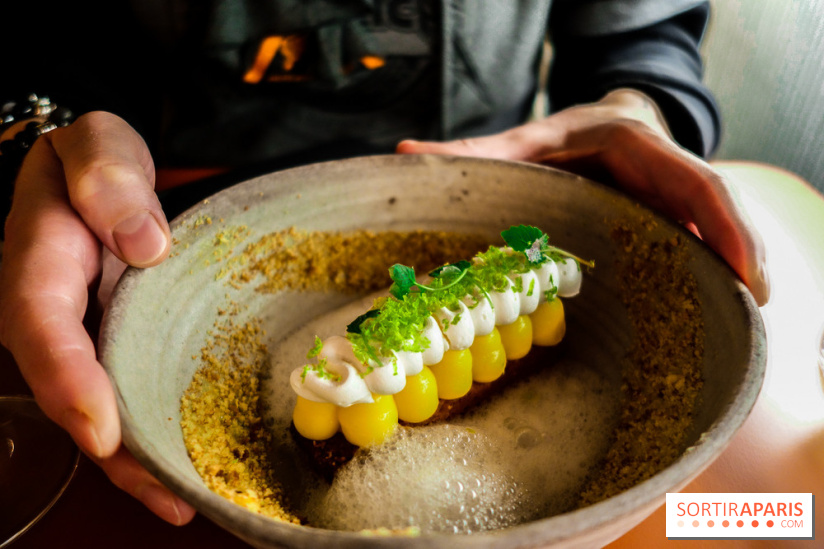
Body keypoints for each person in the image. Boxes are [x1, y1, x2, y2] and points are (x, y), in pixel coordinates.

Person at [0, 0, 769, 526]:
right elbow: (44, 50)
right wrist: (46, 137)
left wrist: (639, 104)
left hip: (501, 179)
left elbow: (639, 34)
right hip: (165, 235)